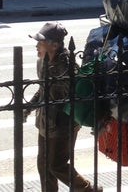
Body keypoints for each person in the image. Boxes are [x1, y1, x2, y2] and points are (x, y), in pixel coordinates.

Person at [26, 22, 102, 192]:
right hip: (45, 122)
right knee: (44, 167)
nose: (37, 46)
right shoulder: (43, 61)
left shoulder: (66, 68)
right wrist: (29, 107)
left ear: (54, 45)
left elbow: (74, 99)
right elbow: (43, 89)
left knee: (57, 165)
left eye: (41, 42)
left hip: (62, 125)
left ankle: (88, 189)